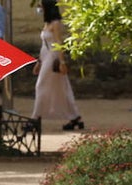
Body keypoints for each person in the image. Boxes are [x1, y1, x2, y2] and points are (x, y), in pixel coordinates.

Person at [32, 0, 83, 131]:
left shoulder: (56, 23)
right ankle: (75, 117)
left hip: (53, 58)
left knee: (40, 86)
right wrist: (39, 61)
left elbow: (59, 43)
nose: (39, 8)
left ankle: (35, 118)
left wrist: (62, 62)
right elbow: (44, 45)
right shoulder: (47, 23)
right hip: (46, 55)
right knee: (62, 88)